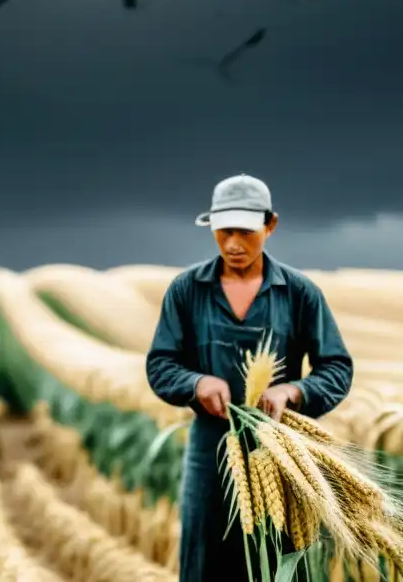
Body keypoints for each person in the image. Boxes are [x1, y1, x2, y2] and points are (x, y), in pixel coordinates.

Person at [145, 173, 353, 582]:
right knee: (206, 564)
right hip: (210, 455)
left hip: (282, 456)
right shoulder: (186, 290)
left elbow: (336, 368)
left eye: (246, 231)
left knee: (278, 563)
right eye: (224, 232)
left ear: (270, 225)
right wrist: (196, 384)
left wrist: (294, 391)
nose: (234, 244)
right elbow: (161, 364)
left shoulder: (299, 292)